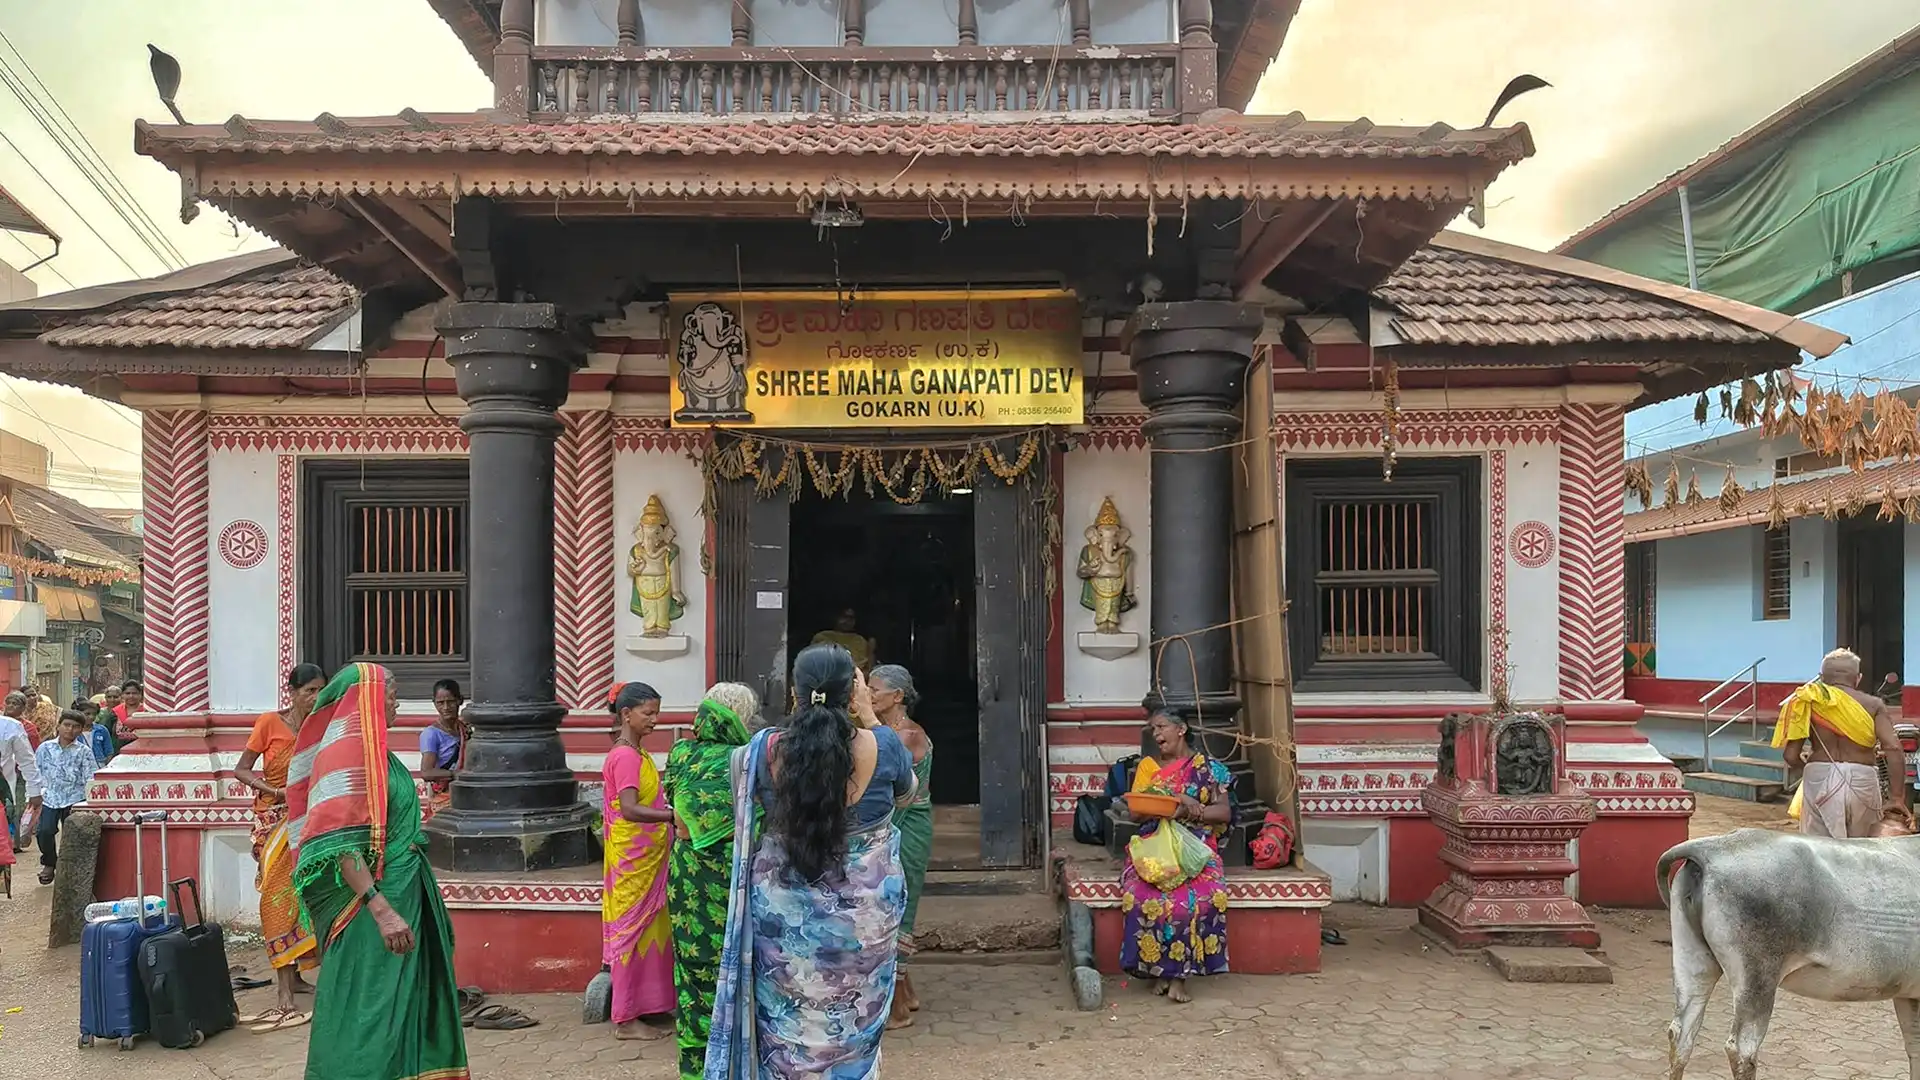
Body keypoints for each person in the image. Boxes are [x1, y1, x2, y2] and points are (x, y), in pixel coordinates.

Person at [706, 644, 913, 1080]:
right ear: (852, 692)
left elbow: (741, 796)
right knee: (853, 1027)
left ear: (794, 695)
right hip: (864, 924)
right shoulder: (886, 745)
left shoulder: (757, 753)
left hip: (781, 921)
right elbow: (907, 794)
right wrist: (871, 719)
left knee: (785, 1025)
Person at [287, 662, 468, 1080]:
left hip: (406, 889)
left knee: (407, 1000)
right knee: (370, 1005)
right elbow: (342, 845)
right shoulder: (348, 760)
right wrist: (381, 909)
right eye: (390, 691)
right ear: (365, 699)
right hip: (373, 906)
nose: (396, 700)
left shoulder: (378, 755)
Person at [663, 681, 757, 1080]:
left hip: (686, 877)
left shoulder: (682, 753)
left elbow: (679, 821)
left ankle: (697, 1067)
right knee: (739, 968)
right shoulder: (749, 758)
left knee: (693, 969)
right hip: (736, 876)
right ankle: (738, 1063)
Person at [231, 663, 327, 1031]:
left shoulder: (321, 726)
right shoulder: (269, 723)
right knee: (276, 899)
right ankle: (283, 990)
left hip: (310, 819)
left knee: (306, 896)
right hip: (273, 822)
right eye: (309, 691)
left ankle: (300, 976)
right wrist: (275, 792)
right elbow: (242, 769)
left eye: (321, 690)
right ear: (292, 691)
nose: (315, 697)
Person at [1121, 710, 1233, 1004]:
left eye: (1161, 727)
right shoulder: (1147, 768)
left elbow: (1223, 812)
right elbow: (1136, 812)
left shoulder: (1210, 769)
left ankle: (1179, 977)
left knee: (1196, 901)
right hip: (1154, 845)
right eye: (1152, 729)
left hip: (1196, 847)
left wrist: (1188, 813)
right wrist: (1180, 802)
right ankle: (1159, 970)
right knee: (1143, 898)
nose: (1156, 734)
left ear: (1181, 729)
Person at [603, 681, 676, 1040]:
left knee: (650, 930)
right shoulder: (626, 757)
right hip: (634, 862)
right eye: (648, 713)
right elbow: (630, 809)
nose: (655, 720)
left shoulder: (638, 754)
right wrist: (670, 817)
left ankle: (650, 1005)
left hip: (646, 857)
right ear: (626, 714)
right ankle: (625, 1018)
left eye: (657, 713)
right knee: (630, 933)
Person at [1778, 647, 1910, 837]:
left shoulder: (1807, 701)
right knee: (1862, 848)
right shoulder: (1873, 705)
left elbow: (1790, 756)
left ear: (1822, 677)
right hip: (1862, 777)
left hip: (1818, 774)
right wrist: (1897, 797)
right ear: (1858, 678)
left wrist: (1810, 770)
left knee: (1818, 849)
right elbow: (1892, 747)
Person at [868, 664, 932, 1030]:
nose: (870, 696)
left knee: (894, 909)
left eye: (876, 690)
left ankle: (895, 1008)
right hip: (898, 822)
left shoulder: (904, 736)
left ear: (898, 697)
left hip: (907, 827)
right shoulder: (888, 732)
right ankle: (906, 993)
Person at [32, 710, 95, 884]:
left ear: (81, 730)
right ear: (59, 726)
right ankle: (49, 863)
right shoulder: (45, 748)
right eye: (67, 725)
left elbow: (90, 777)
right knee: (44, 831)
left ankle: (70, 869)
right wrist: (34, 794)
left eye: (76, 727)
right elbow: (35, 772)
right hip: (50, 797)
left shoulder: (84, 752)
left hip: (75, 797)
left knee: (73, 834)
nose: (70, 730)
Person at [419, 679, 467, 820]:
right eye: (440, 703)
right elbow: (427, 772)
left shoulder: (464, 729)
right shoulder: (431, 734)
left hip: (466, 793)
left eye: (451, 701)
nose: (446, 707)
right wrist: (456, 774)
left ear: (460, 701)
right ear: (434, 703)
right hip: (444, 796)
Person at [0, 692, 38, 853]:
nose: (12, 707)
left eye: (17, 704)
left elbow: (28, 760)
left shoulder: (11, 726)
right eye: (10, 703)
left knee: (13, 810)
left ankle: (13, 843)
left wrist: (35, 790)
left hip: (5, 788)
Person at [810, 608, 877, 671]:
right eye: (844, 617)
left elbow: (866, 668)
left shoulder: (860, 640)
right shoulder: (822, 637)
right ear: (836, 618)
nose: (847, 621)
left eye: (851, 618)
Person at [110, 680, 142, 752]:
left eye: (135, 693)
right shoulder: (115, 712)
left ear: (140, 695)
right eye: (127, 693)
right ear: (122, 695)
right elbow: (108, 734)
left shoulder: (146, 712)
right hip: (119, 752)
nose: (131, 696)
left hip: (141, 751)